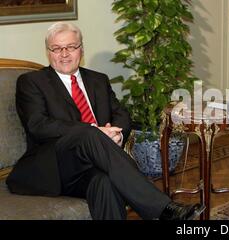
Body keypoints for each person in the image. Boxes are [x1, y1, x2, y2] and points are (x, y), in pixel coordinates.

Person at [6, 22, 203, 220]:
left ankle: (163, 210)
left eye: (71, 47)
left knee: (105, 183)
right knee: (89, 133)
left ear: (81, 49)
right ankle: (164, 210)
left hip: (90, 169)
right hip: (54, 166)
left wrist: (117, 134)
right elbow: (37, 125)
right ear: (48, 52)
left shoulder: (98, 80)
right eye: (56, 48)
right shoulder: (32, 82)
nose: (64, 54)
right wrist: (94, 131)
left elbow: (121, 114)